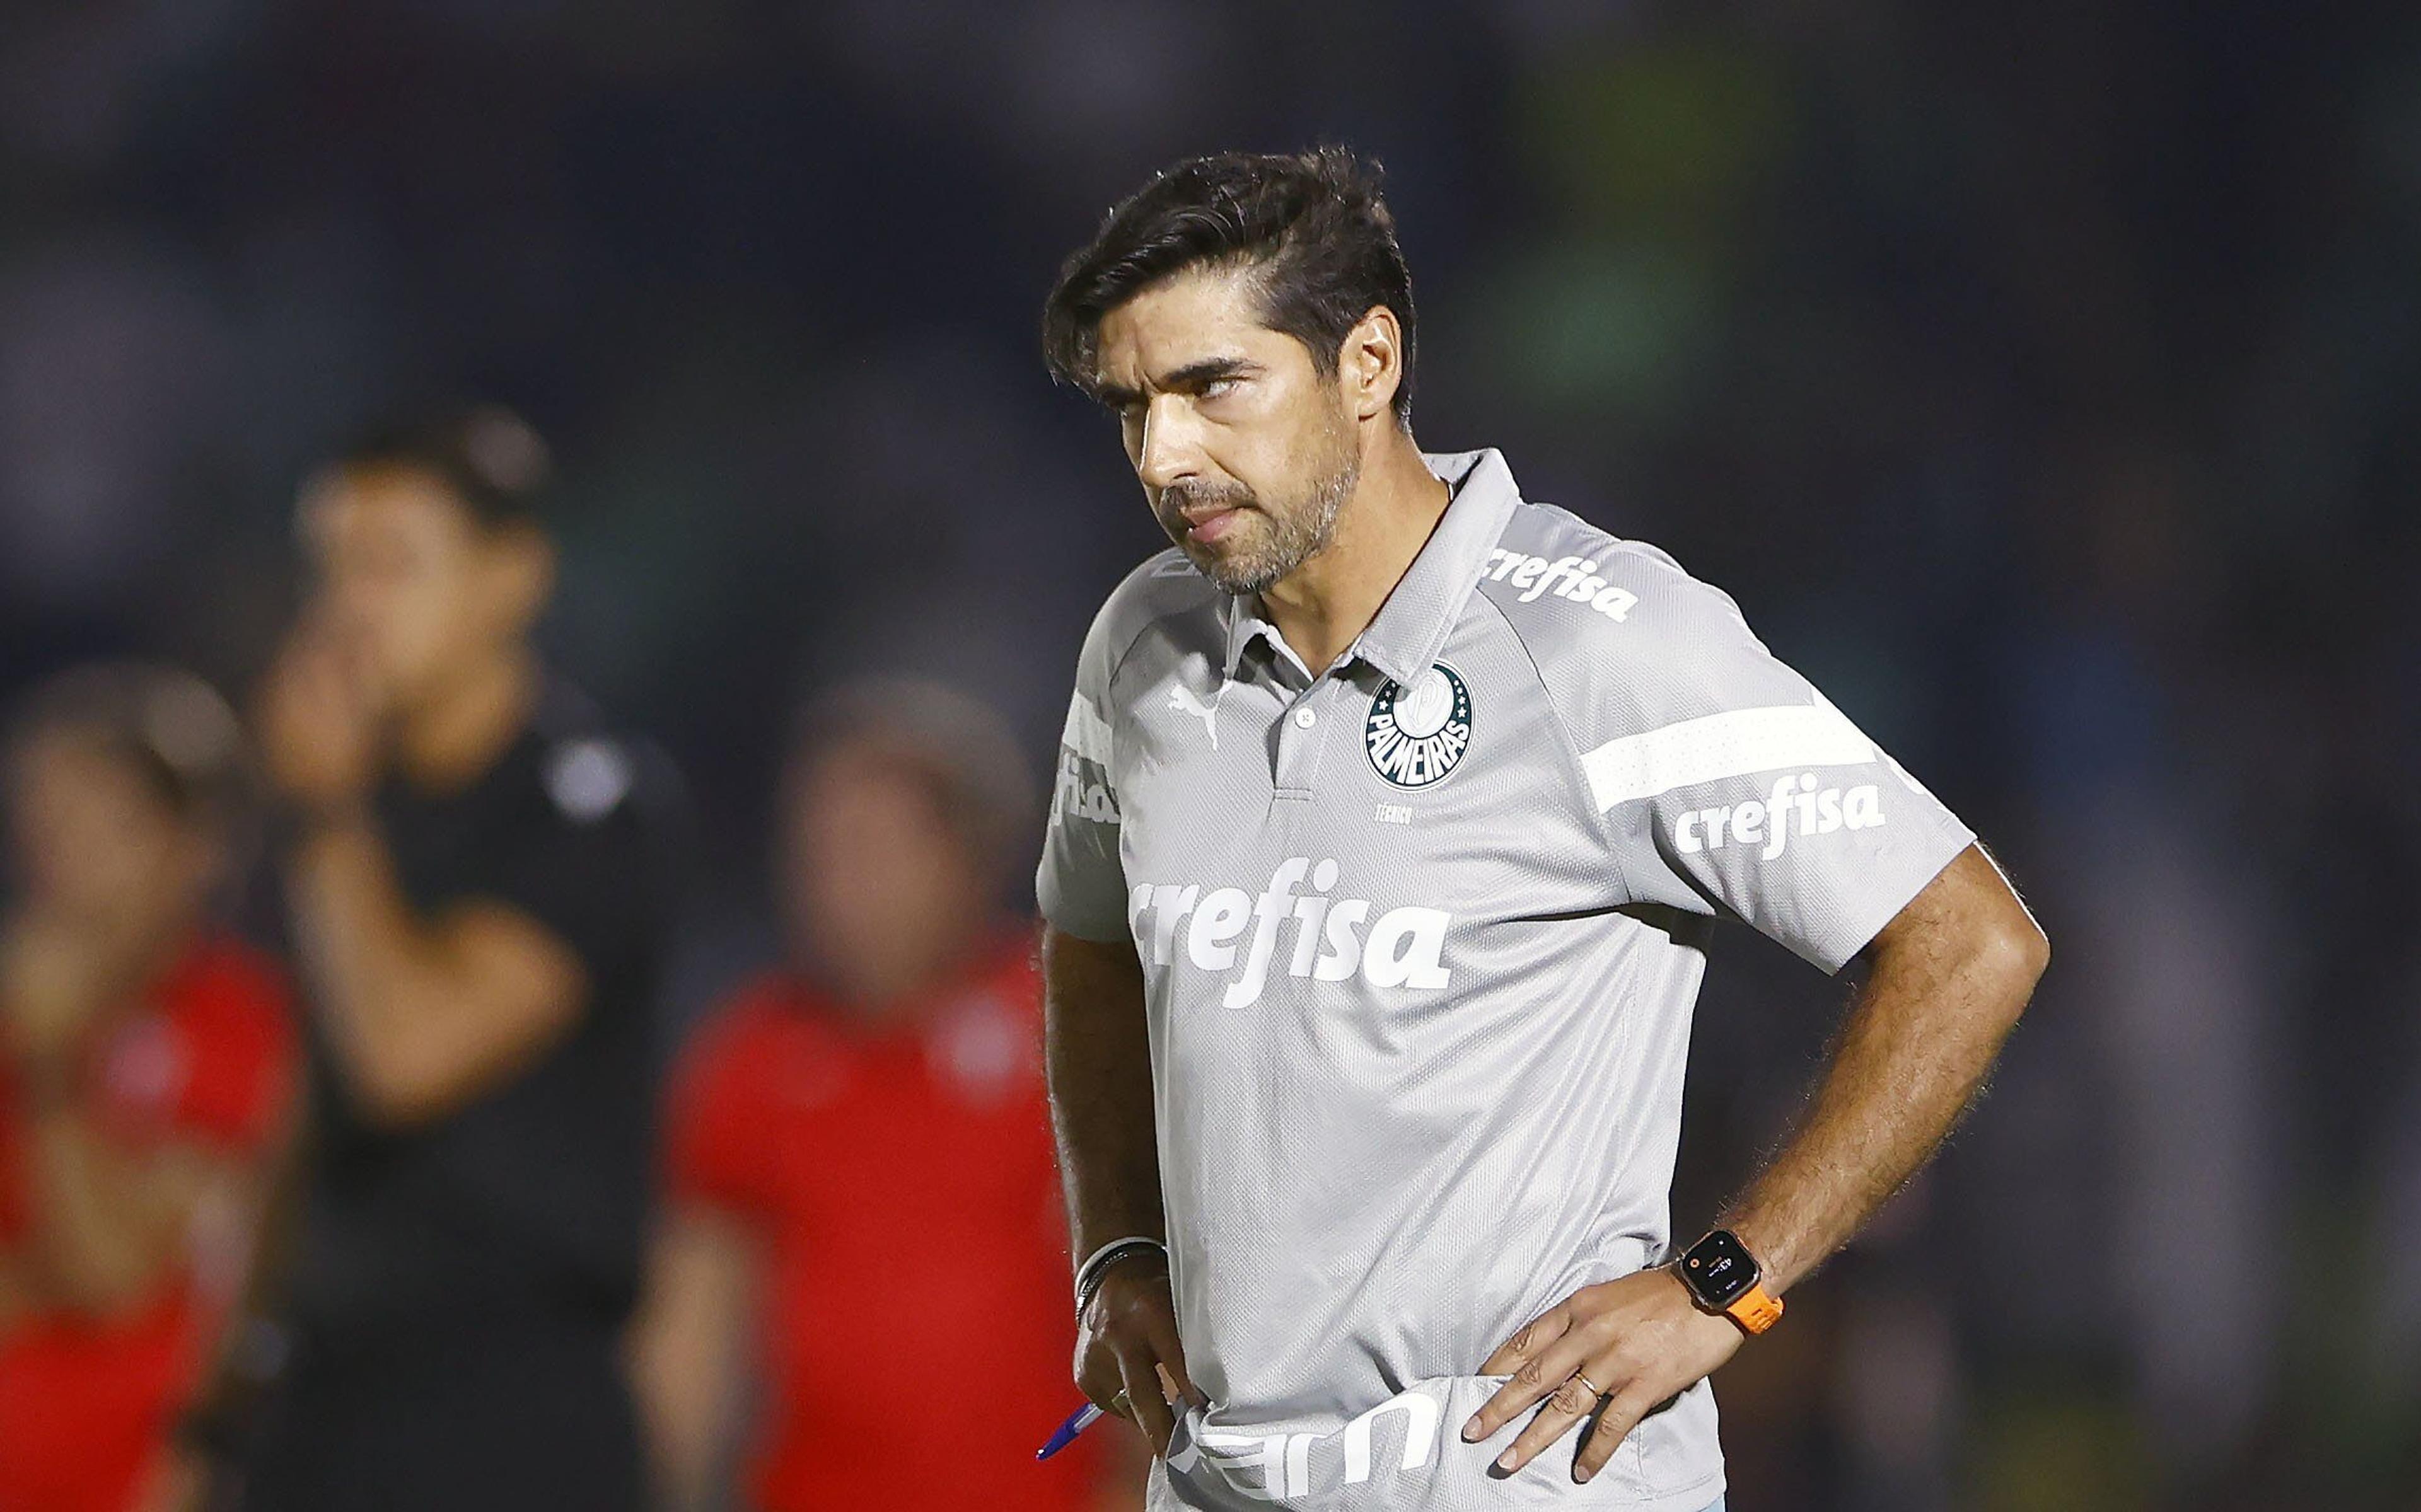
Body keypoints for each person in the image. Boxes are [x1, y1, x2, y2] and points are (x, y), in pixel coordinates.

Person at [1031, 147, 2050, 1510]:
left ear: (1369, 361)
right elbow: (1094, 943)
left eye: (1214, 387)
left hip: (1518, 1475)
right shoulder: (1143, 646)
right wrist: (1117, 1251)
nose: (1166, 456)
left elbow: (1972, 941)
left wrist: (1726, 1284)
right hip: (1222, 1480)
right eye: (1131, 406)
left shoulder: (1597, 640)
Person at [227, 407, 685, 1511]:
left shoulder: (585, 804)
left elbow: (405, 1057)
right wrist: (218, 1403)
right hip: (324, 1395)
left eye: (390, 564)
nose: (346, 605)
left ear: (513, 578)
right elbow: (297, 1110)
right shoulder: (336, 808)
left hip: (510, 1406)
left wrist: (326, 819)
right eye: (329, 565)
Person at [634, 679, 1132, 1511]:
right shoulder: (752, 1059)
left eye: (873, 852)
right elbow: (688, 1344)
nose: (839, 890)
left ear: (966, 858)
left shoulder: (1070, 1029)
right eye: (818, 854)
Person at [0, 665, 293, 1512]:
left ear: (196, 847)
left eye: (111, 829)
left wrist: (51, 1081)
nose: (70, 869)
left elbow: (111, 1273)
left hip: (130, 1483)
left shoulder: (241, 1027)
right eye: (50, 832)